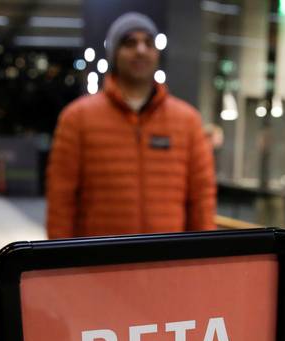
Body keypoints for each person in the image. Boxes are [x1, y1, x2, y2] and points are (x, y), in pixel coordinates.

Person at [46, 12, 216, 239]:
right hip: (100, 263)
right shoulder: (77, 118)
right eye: (129, 42)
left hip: (168, 264)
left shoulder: (188, 121)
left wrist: (204, 260)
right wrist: (58, 265)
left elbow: (201, 200)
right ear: (114, 54)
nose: (141, 50)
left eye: (148, 42)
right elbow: (61, 200)